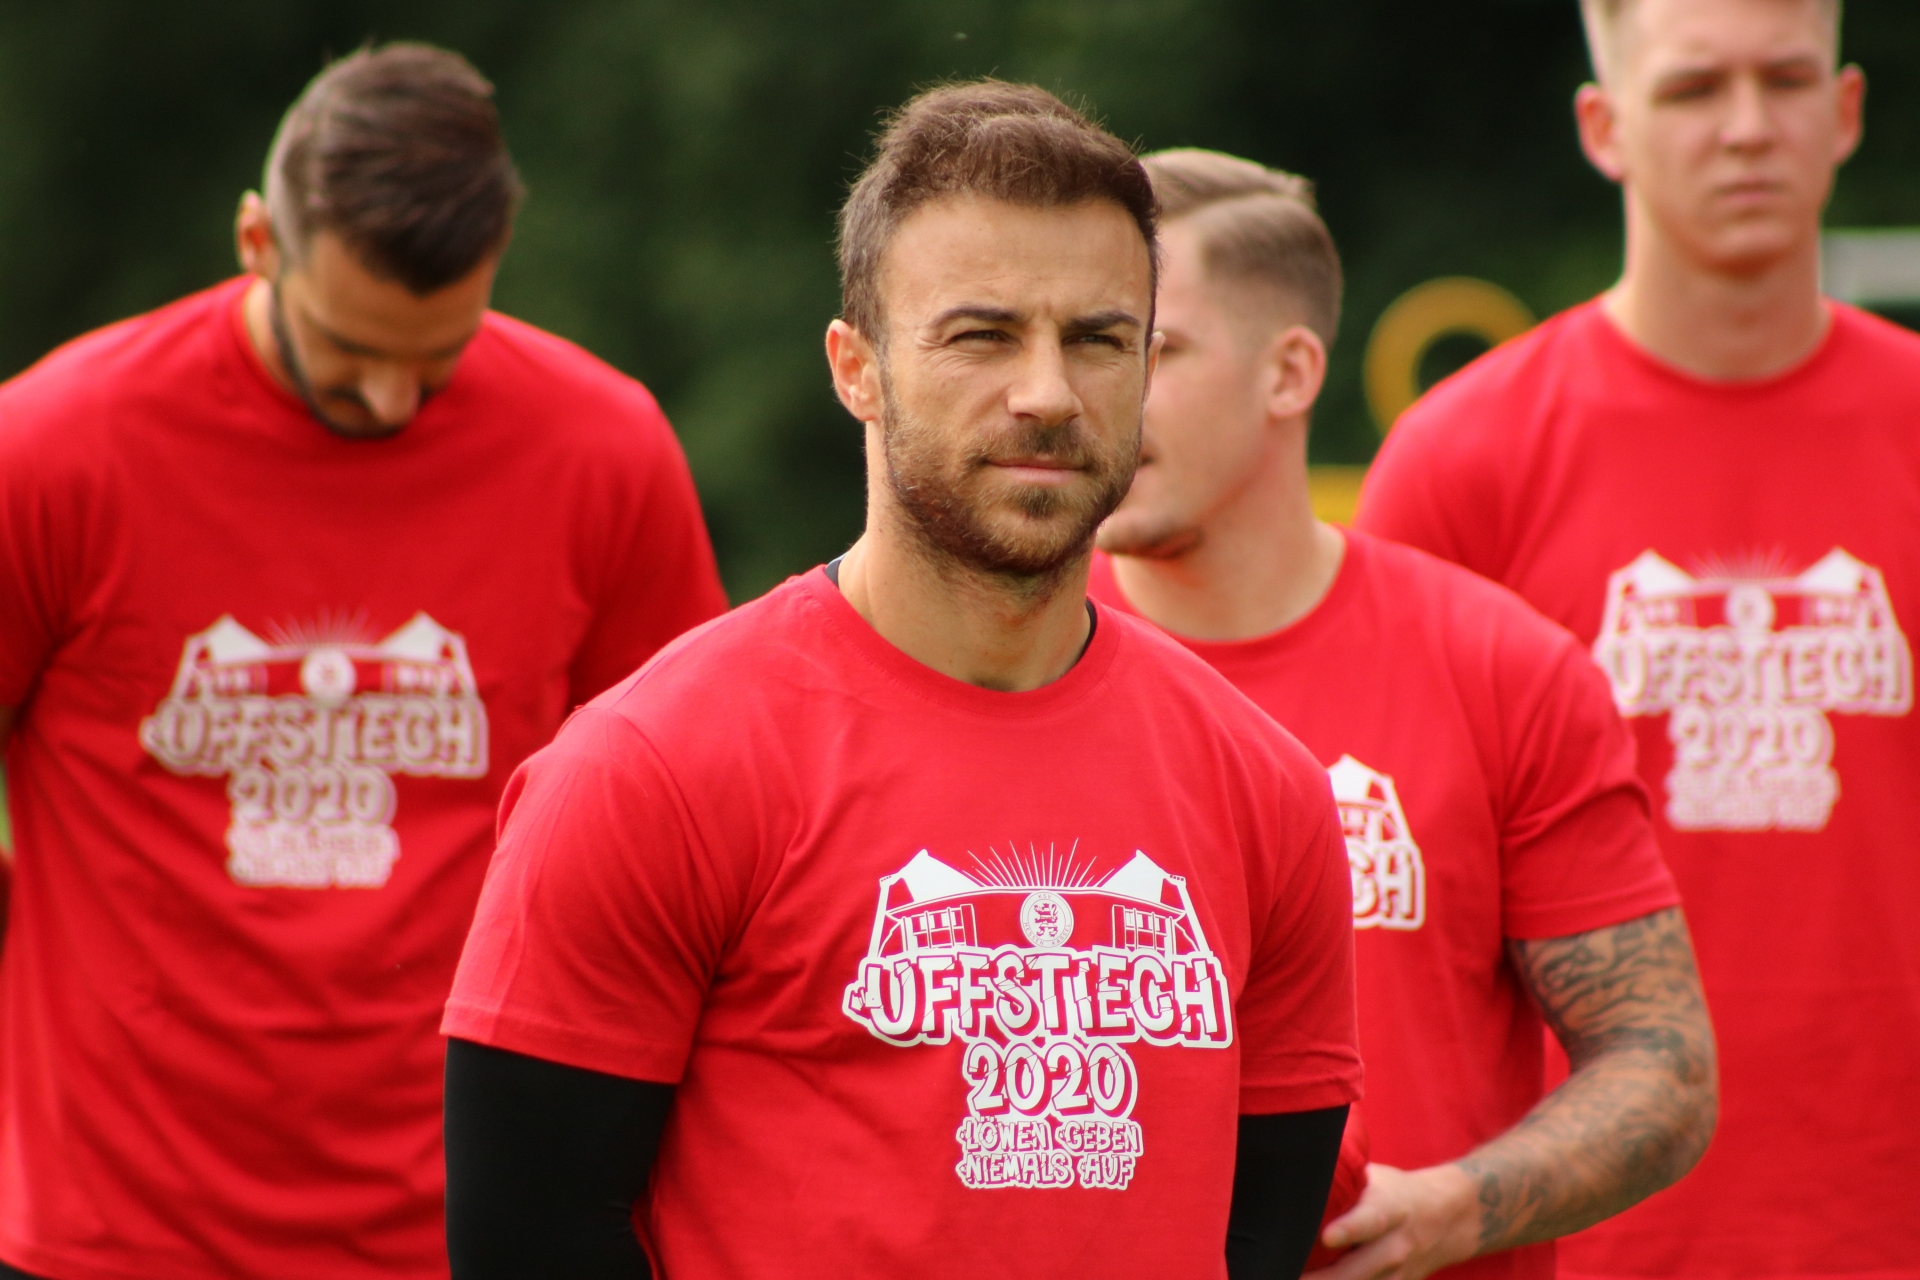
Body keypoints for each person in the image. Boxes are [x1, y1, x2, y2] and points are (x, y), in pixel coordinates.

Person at [441, 81, 1363, 1280]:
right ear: (857, 368)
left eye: (1099, 338)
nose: (1048, 392)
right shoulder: (651, 768)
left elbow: (1260, 1241)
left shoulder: (1265, 790)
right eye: (982, 335)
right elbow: (528, 1242)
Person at [0, 43, 726, 1280]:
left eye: (438, 356)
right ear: (256, 241)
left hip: (462, 1235)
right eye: (346, 349)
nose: (391, 398)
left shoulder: (602, 453)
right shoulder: (52, 453)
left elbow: (686, 843)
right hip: (112, 1236)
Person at [1358, 0, 1918, 1277]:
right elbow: (1387, 897)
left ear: (1845, 112)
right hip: (1569, 1236)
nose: (1747, 129)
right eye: (1693, 89)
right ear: (1604, 126)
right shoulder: (1463, 462)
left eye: (1786, 81)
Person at [1091, 148, 1717, 1280]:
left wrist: (1451, 1208)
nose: (1103, 392)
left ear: (1290, 372)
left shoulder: (1500, 667)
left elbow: (1661, 1066)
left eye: (1156, 349)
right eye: (1095, 343)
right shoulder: (999, 659)